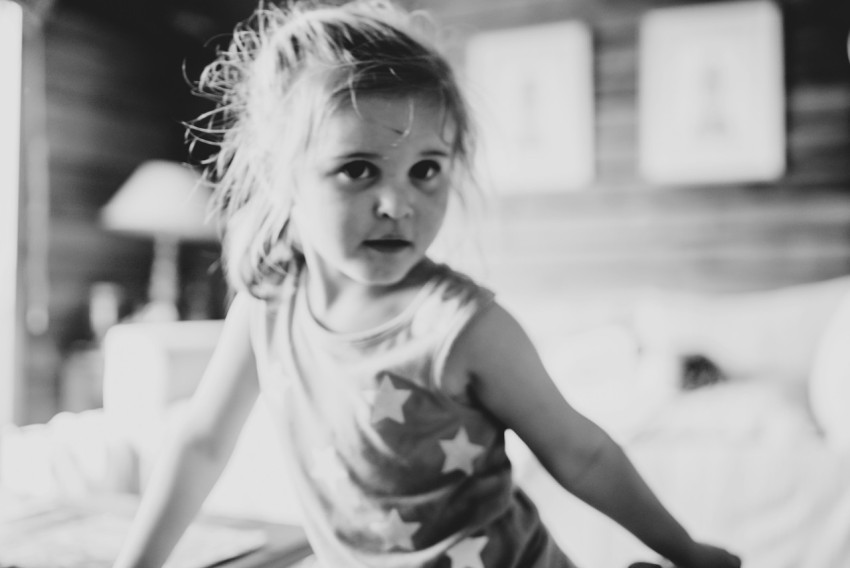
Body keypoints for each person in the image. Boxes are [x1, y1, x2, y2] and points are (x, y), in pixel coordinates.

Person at [113, 2, 743, 567]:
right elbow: (200, 444)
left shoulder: (464, 327)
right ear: (283, 179)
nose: (398, 202)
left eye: (426, 170)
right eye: (358, 169)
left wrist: (685, 551)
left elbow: (583, 453)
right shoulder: (269, 303)